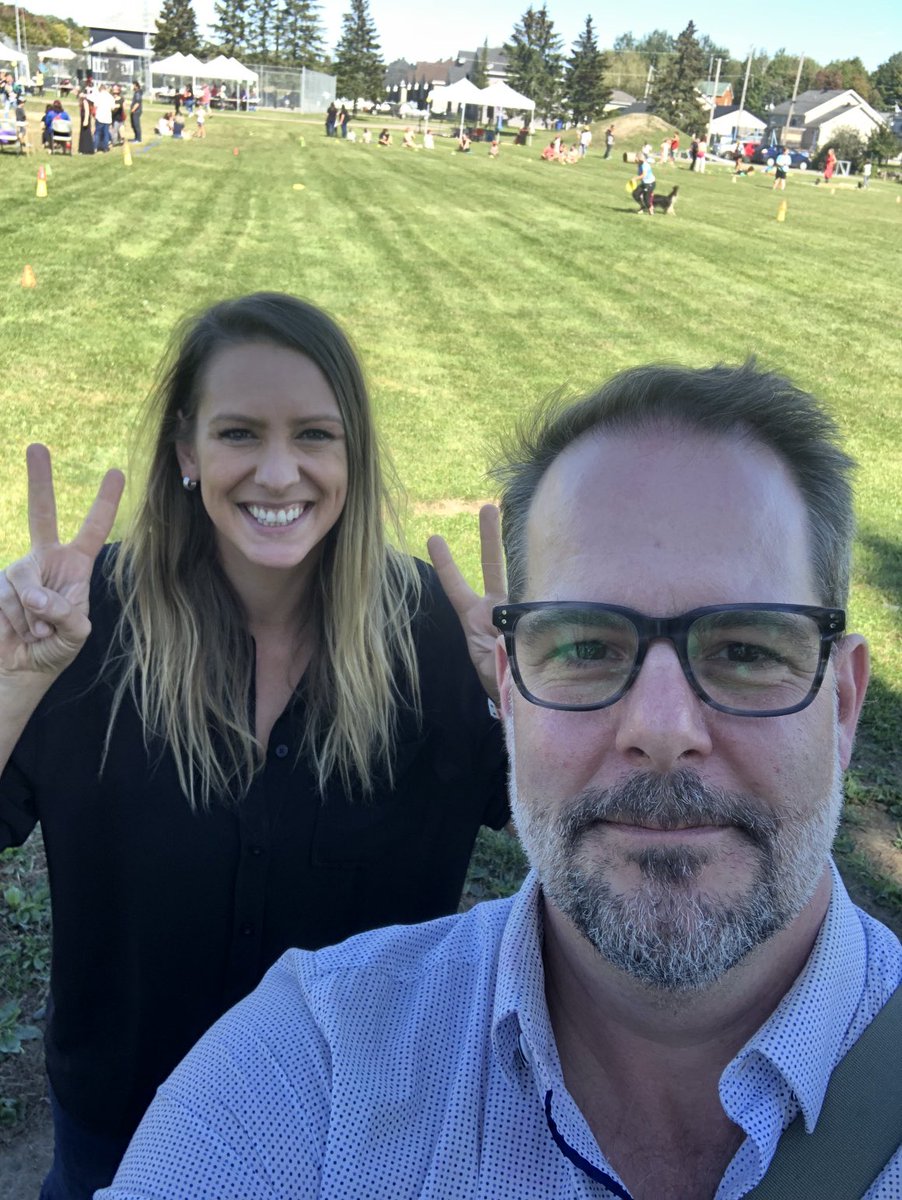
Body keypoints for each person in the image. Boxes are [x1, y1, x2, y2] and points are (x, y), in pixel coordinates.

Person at [97, 361, 901, 1200]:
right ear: (509, 697)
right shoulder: (319, 1059)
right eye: (586, 648)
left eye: (746, 650)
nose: (662, 731)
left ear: (842, 704)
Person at [0, 293, 507, 1199]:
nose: (279, 473)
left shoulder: (437, 640)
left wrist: (539, 702)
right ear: (187, 452)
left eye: (315, 435)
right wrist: (16, 680)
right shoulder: (79, 627)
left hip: (359, 1134)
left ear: (353, 455)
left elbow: (579, 852)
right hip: (122, 1129)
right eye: (240, 434)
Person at [76, 88, 93, 155]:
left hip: (85, 119)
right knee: (83, 134)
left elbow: (87, 111)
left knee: (86, 134)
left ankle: (87, 149)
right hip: (83, 119)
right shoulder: (82, 101)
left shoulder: (85, 101)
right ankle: (82, 149)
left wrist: (86, 120)